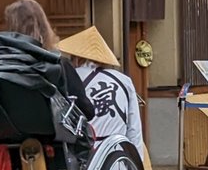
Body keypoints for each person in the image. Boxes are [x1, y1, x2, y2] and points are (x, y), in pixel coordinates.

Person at [57, 27, 146, 162]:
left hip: (83, 158)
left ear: (76, 57)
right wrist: (137, 166)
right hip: (118, 158)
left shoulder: (70, 78)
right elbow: (134, 130)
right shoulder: (124, 81)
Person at [3, 0, 95, 120]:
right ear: (44, 26)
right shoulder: (59, 64)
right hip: (54, 136)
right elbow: (86, 110)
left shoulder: (4, 66)